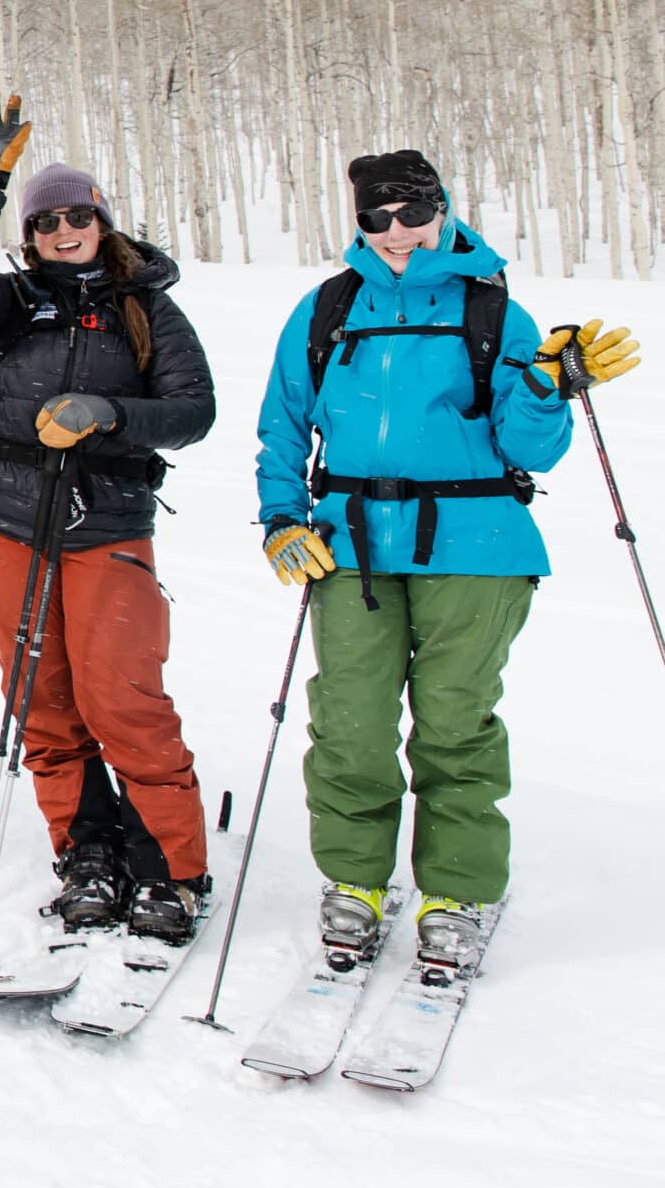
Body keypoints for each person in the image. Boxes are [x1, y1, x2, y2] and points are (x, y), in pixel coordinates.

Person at [254, 148, 638, 968]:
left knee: (455, 723)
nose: (396, 233)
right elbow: (284, 425)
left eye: (411, 213)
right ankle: (355, 880)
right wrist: (283, 517)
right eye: (375, 218)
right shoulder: (327, 308)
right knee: (349, 720)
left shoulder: (495, 310)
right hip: (350, 542)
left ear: (443, 207)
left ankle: (453, 887)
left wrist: (545, 387)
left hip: (477, 544)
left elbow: (536, 448)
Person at [0, 92, 217, 941]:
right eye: (46, 219)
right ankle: (87, 850)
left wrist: (109, 413)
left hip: (106, 521)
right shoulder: (15, 305)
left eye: (77, 214)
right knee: (44, 699)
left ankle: (172, 864)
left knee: (122, 694)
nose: (63, 229)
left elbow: (194, 410)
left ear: (101, 218)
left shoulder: (148, 309)